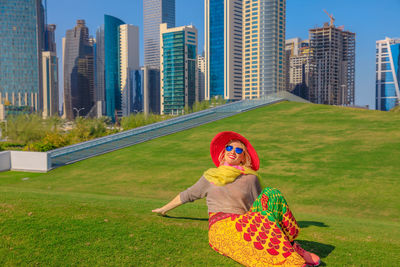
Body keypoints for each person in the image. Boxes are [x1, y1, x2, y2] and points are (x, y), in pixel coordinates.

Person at [152, 131, 320, 267]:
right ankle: (289, 261)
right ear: (224, 152)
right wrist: (163, 209)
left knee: (272, 193)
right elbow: (187, 195)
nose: (233, 152)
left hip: (244, 221)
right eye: (229, 148)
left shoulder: (250, 178)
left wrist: (260, 222)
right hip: (221, 226)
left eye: (239, 150)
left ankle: (292, 246)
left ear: (243, 157)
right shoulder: (211, 176)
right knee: (252, 238)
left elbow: (262, 207)